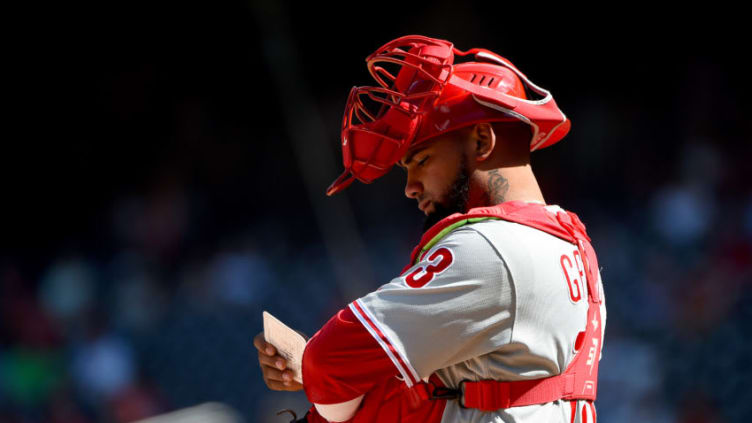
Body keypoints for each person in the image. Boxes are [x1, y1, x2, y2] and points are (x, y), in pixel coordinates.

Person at [254, 35, 606, 423]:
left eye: (421, 160)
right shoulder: (567, 242)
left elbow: (329, 363)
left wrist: (314, 364)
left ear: (482, 139)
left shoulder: (491, 247)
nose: (410, 186)